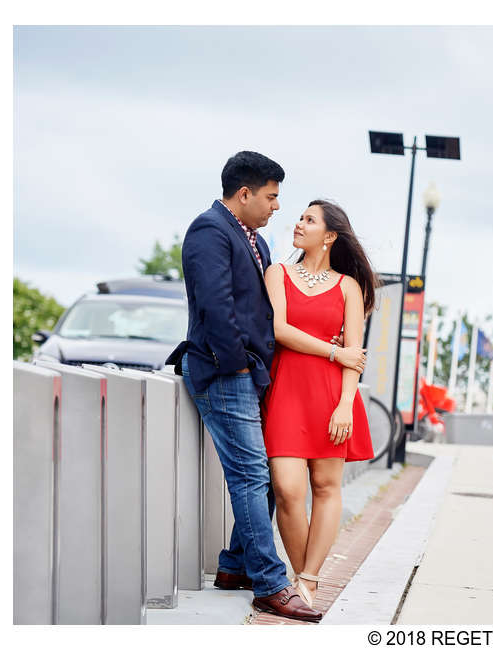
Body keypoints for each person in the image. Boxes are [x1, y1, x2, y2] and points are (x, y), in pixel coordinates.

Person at [165, 152, 365, 622]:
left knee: (269, 480)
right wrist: (239, 367)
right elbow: (217, 310)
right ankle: (272, 584)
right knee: (256, 476)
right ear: (245, 193)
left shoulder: (253, 241)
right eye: (273, 198)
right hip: (223, 371)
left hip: (256, 377)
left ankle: (236, 566)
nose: (278, 207)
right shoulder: (210, 231)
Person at [262, 198, 376, 610]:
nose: (299, 223)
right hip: (287, 392)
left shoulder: (349, 286)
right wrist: (332, 353)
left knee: (326, 488)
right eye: (300, 217)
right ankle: (301, 577)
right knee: (288, 489)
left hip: (332, 398)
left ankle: (306, 581)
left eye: (309, 220)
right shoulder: (278, 273)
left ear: (329, 236)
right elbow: (278, 330)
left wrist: (345, 404)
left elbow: (355, 354)